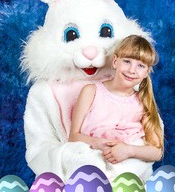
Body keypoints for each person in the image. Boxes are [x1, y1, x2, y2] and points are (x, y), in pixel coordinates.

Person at [69, 35, 164, 179]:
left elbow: (157, 152)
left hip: (128, 165)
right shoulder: (91, 91)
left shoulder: (144, 102)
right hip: (95, 161)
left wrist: (129, 151)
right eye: (127, 61)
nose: (132, 70)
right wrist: (96, 143)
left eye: (141, 66)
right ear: (115, 61)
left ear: (146, 72)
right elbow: (73, 136)